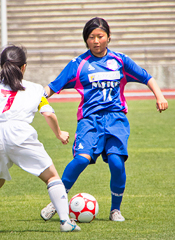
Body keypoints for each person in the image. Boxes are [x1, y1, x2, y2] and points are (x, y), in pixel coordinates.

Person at [40, 17, 168, 222]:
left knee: (117, 163)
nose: (96, 41)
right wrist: (36, 99)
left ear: (108, 37)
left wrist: (159, 96)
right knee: (81, 159)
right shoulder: (78, 64)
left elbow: (146, 77)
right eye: (91, 37)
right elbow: (53, 86)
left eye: (100, 36)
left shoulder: (120, 60)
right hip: (89, 121)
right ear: (86, 40)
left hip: (116, 120)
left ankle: (115, 210)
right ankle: (58, 201)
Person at [0, 45, 81, 232]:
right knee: (52, 176)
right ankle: (65, 222)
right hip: (19, 134)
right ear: (23, 68)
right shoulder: (35, 89)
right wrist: (60, 134)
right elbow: (49, 114)